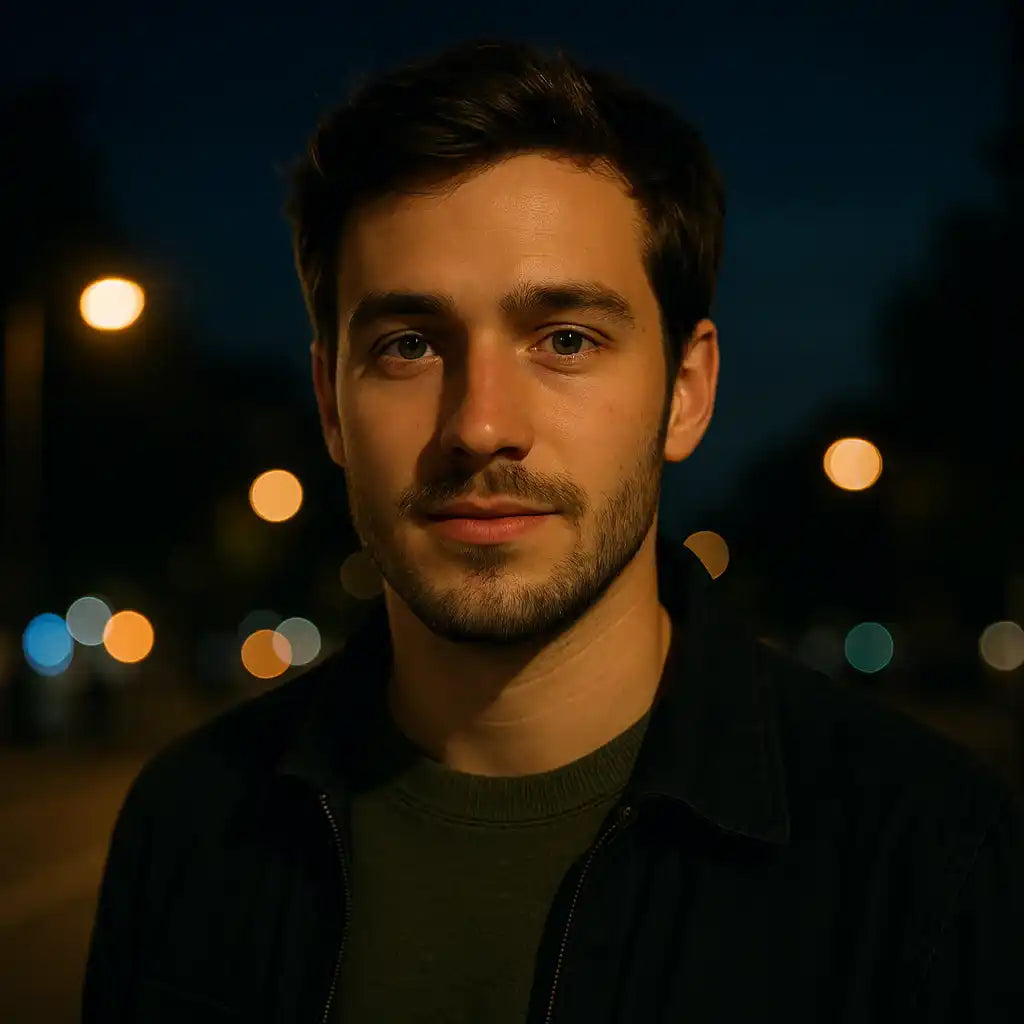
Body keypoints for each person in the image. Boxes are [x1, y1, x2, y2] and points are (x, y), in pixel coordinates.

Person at [82, 39, 1024, 1023]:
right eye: (409, 345)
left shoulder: (925, 859)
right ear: (329, 402)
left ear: (686, 391)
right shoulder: (191, 825)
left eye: (566, 339)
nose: (481, 424)